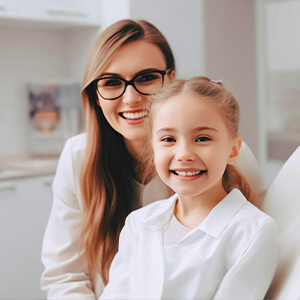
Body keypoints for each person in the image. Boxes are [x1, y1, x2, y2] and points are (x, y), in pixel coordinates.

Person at [41, 19, 265, 299]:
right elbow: (64, 276)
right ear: (96, 96)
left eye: (146, 77)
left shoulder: (226, 157)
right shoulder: (78, 158)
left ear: (170, 79)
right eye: (111, 83)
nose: (131, 97)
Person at [100, 77, 277, 300]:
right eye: (168, 139)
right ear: (153, 150)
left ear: (233, 151)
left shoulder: (252, 231)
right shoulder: (139, 224)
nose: (183, 154)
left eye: (202, 138)